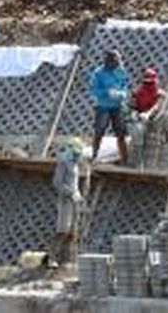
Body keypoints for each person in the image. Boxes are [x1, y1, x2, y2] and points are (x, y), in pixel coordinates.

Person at [49, 138, 85, 267]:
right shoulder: (63, 163)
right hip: (65, 200)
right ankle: (52, 257)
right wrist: (70, 193)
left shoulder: (74, 164)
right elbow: (57, 183)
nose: (77, 156)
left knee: (73, 230)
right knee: (63, 228)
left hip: (74, 200)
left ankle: (67, 259)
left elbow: (74, 183)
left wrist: (78, 194)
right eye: (75, 153)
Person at [90, 49, 129, 164]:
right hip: (103, 106)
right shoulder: (98, 73)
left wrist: (121, 94)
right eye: (114, 63)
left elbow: (124, 86)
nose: (116, 65)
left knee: (121, 132)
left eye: (118, 62)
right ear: (108, 62)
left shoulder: (120, 71)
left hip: (117, 106)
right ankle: (94, 155)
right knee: (99, 130)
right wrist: (106, 92)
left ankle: (124, 158)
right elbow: (93, 89)